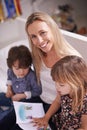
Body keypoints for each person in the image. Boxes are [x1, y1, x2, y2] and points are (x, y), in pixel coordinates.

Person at [0, 12, 81, 130]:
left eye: (42, 33)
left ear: (52, 30)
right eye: (33, 36)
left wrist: (46, 117)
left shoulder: (71, 61)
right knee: (4, 123)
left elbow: (73, 100)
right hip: (39, 98)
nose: (39, 41)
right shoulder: (37, 54)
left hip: (56, 107)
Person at [32, 55, 87, 130]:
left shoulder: (84, 101)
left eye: (61, 85)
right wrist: (46, 117)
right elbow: (57, 101)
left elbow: (84, 128)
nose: (57, 87)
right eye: (55, 82)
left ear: (76, 83)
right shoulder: (63, 91)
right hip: (61, 122)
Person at [0, 45, 42, 129]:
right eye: (18, 68)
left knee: (7, 120)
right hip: (13, 96)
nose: (22, 72)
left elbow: (38, 91)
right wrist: (9, 88)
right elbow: (9, 79)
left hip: (25, 101)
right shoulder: (10, 71)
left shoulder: (31, 76)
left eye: (25, 68)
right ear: (11, 66)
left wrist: (22, 95)